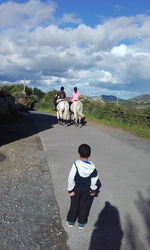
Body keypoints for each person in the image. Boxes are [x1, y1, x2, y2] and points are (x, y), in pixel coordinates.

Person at [66, 144, 101, 229]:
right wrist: (93, 190)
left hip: (76, 190)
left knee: (74, 205)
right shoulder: (93, 167)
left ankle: (71, 221)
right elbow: (94, 179)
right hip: (87, 190)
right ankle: (82, 222)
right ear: (90, 154)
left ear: (78, 153)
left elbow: (71, 178)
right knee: (84, 206)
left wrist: (70, 190)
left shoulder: (76, 164)